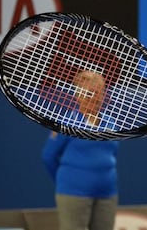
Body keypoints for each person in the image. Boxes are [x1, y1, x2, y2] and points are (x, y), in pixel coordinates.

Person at [42, 70, 119, 230]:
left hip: (107, 193)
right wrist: (68, 182)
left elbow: (110, 155)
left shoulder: (111, 123)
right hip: (72, 193)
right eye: (89, 92)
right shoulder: (66, 123)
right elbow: (48, 156)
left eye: (98, 92)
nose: (94, 97)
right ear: (77, 95)